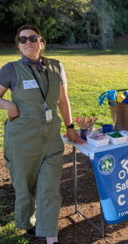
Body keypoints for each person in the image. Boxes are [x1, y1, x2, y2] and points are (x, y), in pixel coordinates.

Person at [0, 25, 86, 244]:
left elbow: (63, 100)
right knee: (24, 187)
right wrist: (8, 104)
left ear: (41, 42)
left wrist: (70, 128)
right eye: (22, 39)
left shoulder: (57, 66)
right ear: (18, 45)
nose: (28, 42)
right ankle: (28, 224)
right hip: (21, 139)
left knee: (50, 188)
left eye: (33, 37)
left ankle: (50, 237)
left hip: (51, 139)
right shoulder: (11, 69)